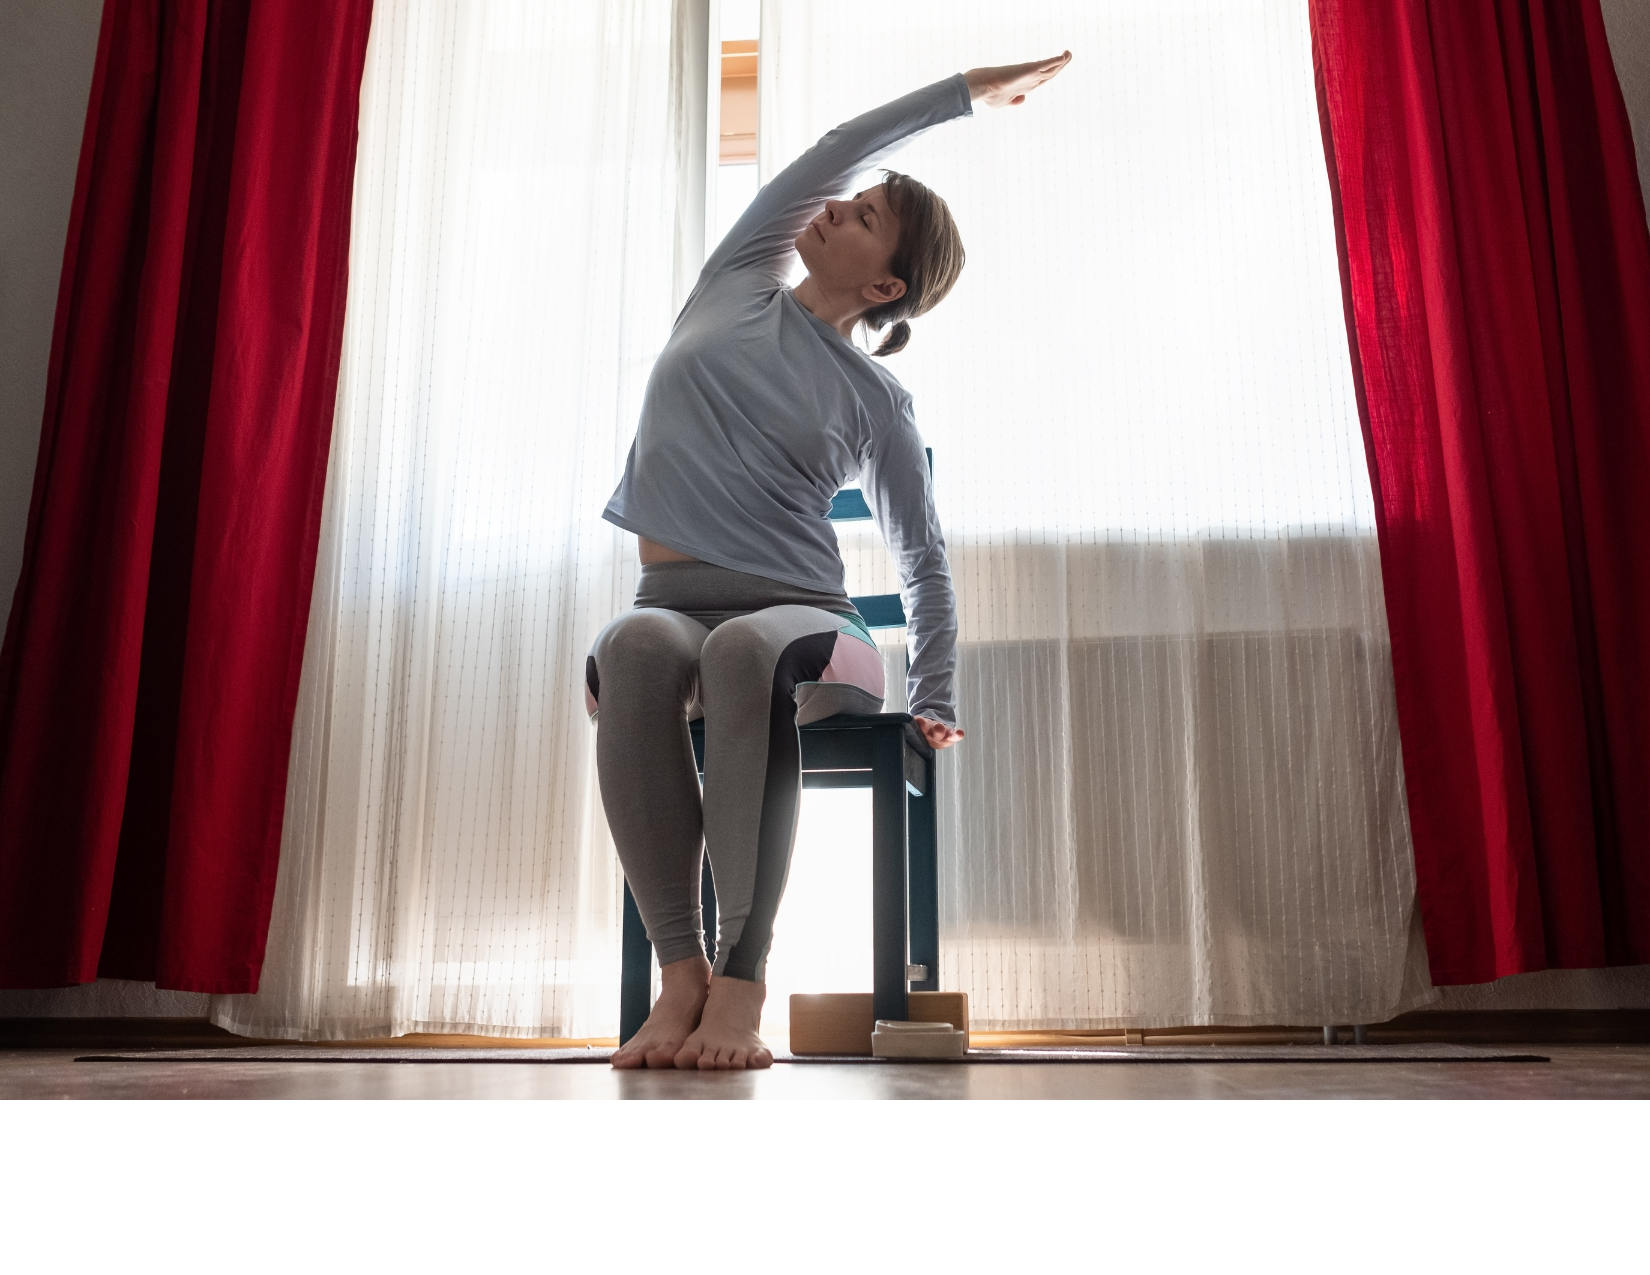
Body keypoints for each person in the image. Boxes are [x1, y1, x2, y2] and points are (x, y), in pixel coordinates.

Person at [588, 53, 1072, 1070]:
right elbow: (834, 150)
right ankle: (682, 976)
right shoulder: (736, 281)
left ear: (886, 284)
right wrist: (966, 93)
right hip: (670, 599)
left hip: (807, 621)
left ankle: (744, 982)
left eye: (866, 218)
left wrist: (934, 689)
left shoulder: (876, 398)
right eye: (849, 203)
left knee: (742, 660)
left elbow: (920, 555)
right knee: (632, 646)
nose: (841, 207)